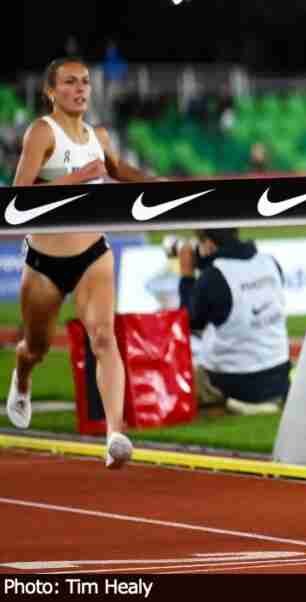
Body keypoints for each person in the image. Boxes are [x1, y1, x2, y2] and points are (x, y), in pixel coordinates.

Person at [6, 57, 156, 469]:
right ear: (51, 91)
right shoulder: (42, 132)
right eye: (70, 82)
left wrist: (162, 188)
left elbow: (120, 170)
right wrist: (81, 176)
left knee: (104, 338)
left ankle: (114, 434)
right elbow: (19, 197)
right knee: (34, 347)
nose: (81, 89)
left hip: (93, 254)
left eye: (86, 82)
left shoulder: (99, 135)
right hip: (45, 262)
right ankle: (22, 375)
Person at [176, 228, 290, 415]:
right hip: (279, 377)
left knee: (189, 351)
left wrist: (187, 276)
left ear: (209, 244)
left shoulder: (213, 276)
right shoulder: (270, 262)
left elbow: (188, 323)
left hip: (233, 383)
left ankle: (224, 403)